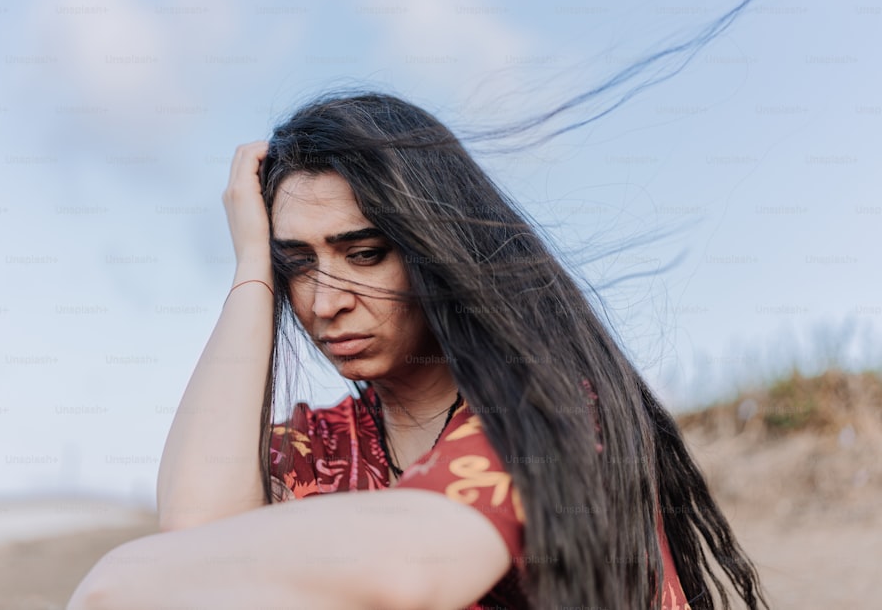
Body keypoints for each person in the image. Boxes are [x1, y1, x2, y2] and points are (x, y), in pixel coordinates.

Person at [67, 92, 766, 610]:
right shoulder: (326, 444)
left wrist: (116, 579)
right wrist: (253, 269)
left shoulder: (550, 405)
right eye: (298, 265)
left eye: (364, 254)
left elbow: (407, 570)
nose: (324, 300)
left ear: (436, 252)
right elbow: (194, 540)